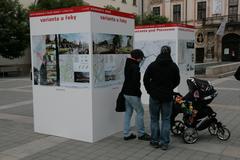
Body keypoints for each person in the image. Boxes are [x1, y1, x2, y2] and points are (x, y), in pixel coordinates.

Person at [143, 46, 180, 150]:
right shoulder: (173, 66)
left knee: (154, 119)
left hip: (154, 96)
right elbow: (177, 80)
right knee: (166, 119)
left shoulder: (153, 65)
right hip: (167, 97)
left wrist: (149, 90)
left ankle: (154, 141)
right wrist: (170, 88)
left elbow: (145, 79)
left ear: (160, 52)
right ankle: (164, 143)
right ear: (170, 52)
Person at [122, 49, 150, 141]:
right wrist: (139, 93)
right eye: (141, 58)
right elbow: (135, 83)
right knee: (140, 112)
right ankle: (141, 134)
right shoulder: (135, 67)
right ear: (138, 58)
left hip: (125, 92)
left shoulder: (128, 64)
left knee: (128, 113)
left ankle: (126, 134)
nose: (142, 60)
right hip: (133, 93)